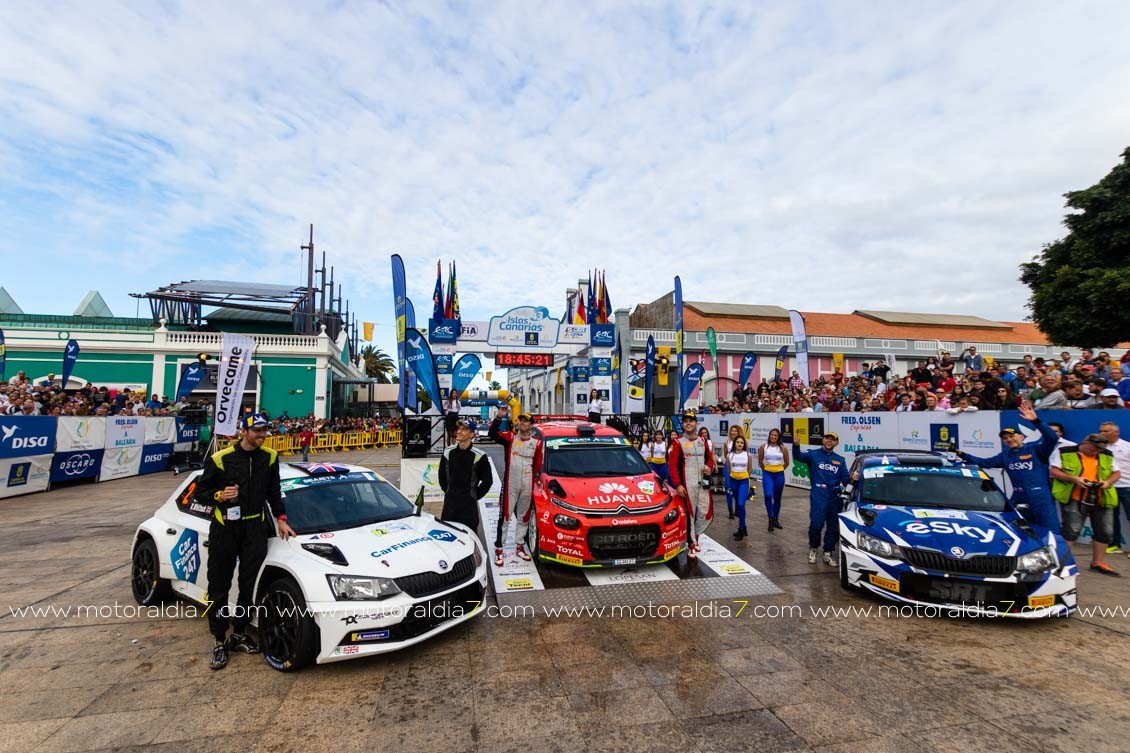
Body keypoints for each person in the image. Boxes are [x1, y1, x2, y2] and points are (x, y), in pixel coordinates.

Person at [194, 413, 295, 670]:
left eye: (265, 431)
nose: (262, 435)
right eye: (257, 431)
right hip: (225, 528)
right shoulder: (220, 458)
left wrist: (281, 518)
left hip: (255, 528)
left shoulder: (270, 457)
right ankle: (219, 640)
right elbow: (200, 493)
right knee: (219, 585)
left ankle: (239, 633)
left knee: (249, 585)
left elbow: (274, 492)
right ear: (244, 432)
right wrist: (219, 495)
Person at [956, 401, 1060, 532]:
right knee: (1022, 533)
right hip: (1019, 498)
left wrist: (1036, 421)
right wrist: (963, 455)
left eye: (1012, 436)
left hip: (1041, 499)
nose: (1009, 439)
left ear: (1022, 436)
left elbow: (1052, 438)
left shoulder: (1036, 449)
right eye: (1005, 438)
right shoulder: (1006, 456)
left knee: (1050, 532)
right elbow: (984, 463)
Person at [1050, 434, 1123, 576]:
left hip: (1101, 497)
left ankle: (1097, 563)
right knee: (1071, 531)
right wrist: (1074, 479)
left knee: (1105, 532)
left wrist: (1107, 482)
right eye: (1094, 448)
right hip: (1074, 497)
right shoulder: (1065, 452)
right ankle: (1059, 565)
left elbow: (1117, 473)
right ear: (1085, 443)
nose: (1096, 452)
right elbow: (1054, 471)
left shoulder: (1106, 454)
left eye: (1099, 449)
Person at [488, 407, 543, 566]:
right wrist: (499, 417)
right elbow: (492, 434)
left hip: (527, 483)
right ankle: (499, 548)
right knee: (505, 515)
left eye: (526, 421)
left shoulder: (537, 443)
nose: (523, 423)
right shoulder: (510, 437)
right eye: (521, 420)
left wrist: (532, 481)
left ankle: (520, 546)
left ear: (531, 425)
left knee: (524, 516)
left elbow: (537, 465)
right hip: (510, 483)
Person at [793, 432, 850, 566]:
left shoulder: (840, 460)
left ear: (836, 443)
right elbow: (798, 456)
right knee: (816, 524)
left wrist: (854, 479)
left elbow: (846, 480)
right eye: (827, 438)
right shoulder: (813, 454)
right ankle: (813, 548)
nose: (829, 441)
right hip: (819, 495)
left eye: (832, 439)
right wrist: (796, 446)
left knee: (833, 526)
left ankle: (828, 552)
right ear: (823, 440)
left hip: (835, 497)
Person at [668, 413, 714, 559]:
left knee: (707, 513)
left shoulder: (702, 440)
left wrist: (709, 467)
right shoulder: (677, 442)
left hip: (703, 483)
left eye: (691, 421)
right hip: (688, 484)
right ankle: (692, 544)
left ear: (696, 423)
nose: (688, 423)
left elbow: (710, 459)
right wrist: (678, 484)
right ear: (682, 425)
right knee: (690, 514)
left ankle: (696, 535)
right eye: (686, 421)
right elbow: (672, 465)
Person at [438, 418, 494, 534]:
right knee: (448, 537)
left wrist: (474, 496)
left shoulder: (480, 456)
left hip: (468, 508)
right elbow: (441, 476)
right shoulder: (447, 452)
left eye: (464, 429)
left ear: (471, 434)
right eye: (459, 428)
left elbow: (487, 481)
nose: (459, 431)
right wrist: (448, 491)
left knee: (470, 538)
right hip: (450, 506)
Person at [1100, 422, 1130, 555]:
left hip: (1127, 486)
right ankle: (1114, 544)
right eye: (1101, 431)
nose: (1102, 433)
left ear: (1116, 432)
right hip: (1109, 487)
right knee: (1111, 518)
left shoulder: (1127, 447)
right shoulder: (1101, 448)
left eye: (1105, 431)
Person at [758, 428, 790, 532]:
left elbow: (787, 463)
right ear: (769, 435)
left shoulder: (783, 448)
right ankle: (770, 518)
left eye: (775, 435)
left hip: (779, 475)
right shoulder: (763, 446)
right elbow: (760, 461)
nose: (773, 437)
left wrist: (779, 469)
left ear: (778, 437)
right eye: (772, 435)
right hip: (767, 474)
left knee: (777, 498)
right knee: (768, 495)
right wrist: (766, 470)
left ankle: (775, 519)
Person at [726, 435, 755, 540]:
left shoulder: (748, 455)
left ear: (744, 444)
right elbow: (729, 469)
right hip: (733, 481)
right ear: (734, 443)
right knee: (739, 506)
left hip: (744, 482)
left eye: (742, 443)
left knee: (741, 504)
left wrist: (744, 476)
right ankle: (743, 527)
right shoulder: (729, 455)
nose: (739, 444)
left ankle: (741, 528)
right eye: (738, 442)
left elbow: (750, 469)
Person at [723, 425, 743, 520]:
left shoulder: (742, 442)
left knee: (737, 488)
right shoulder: (727, 442)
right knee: (728, 487)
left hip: (739, 468)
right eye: (732, 431)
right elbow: (725, 454)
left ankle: (737, 509)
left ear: (738, 432)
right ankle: (730, 510)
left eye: (735, 431)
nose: (733, 432)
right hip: (728, 467)